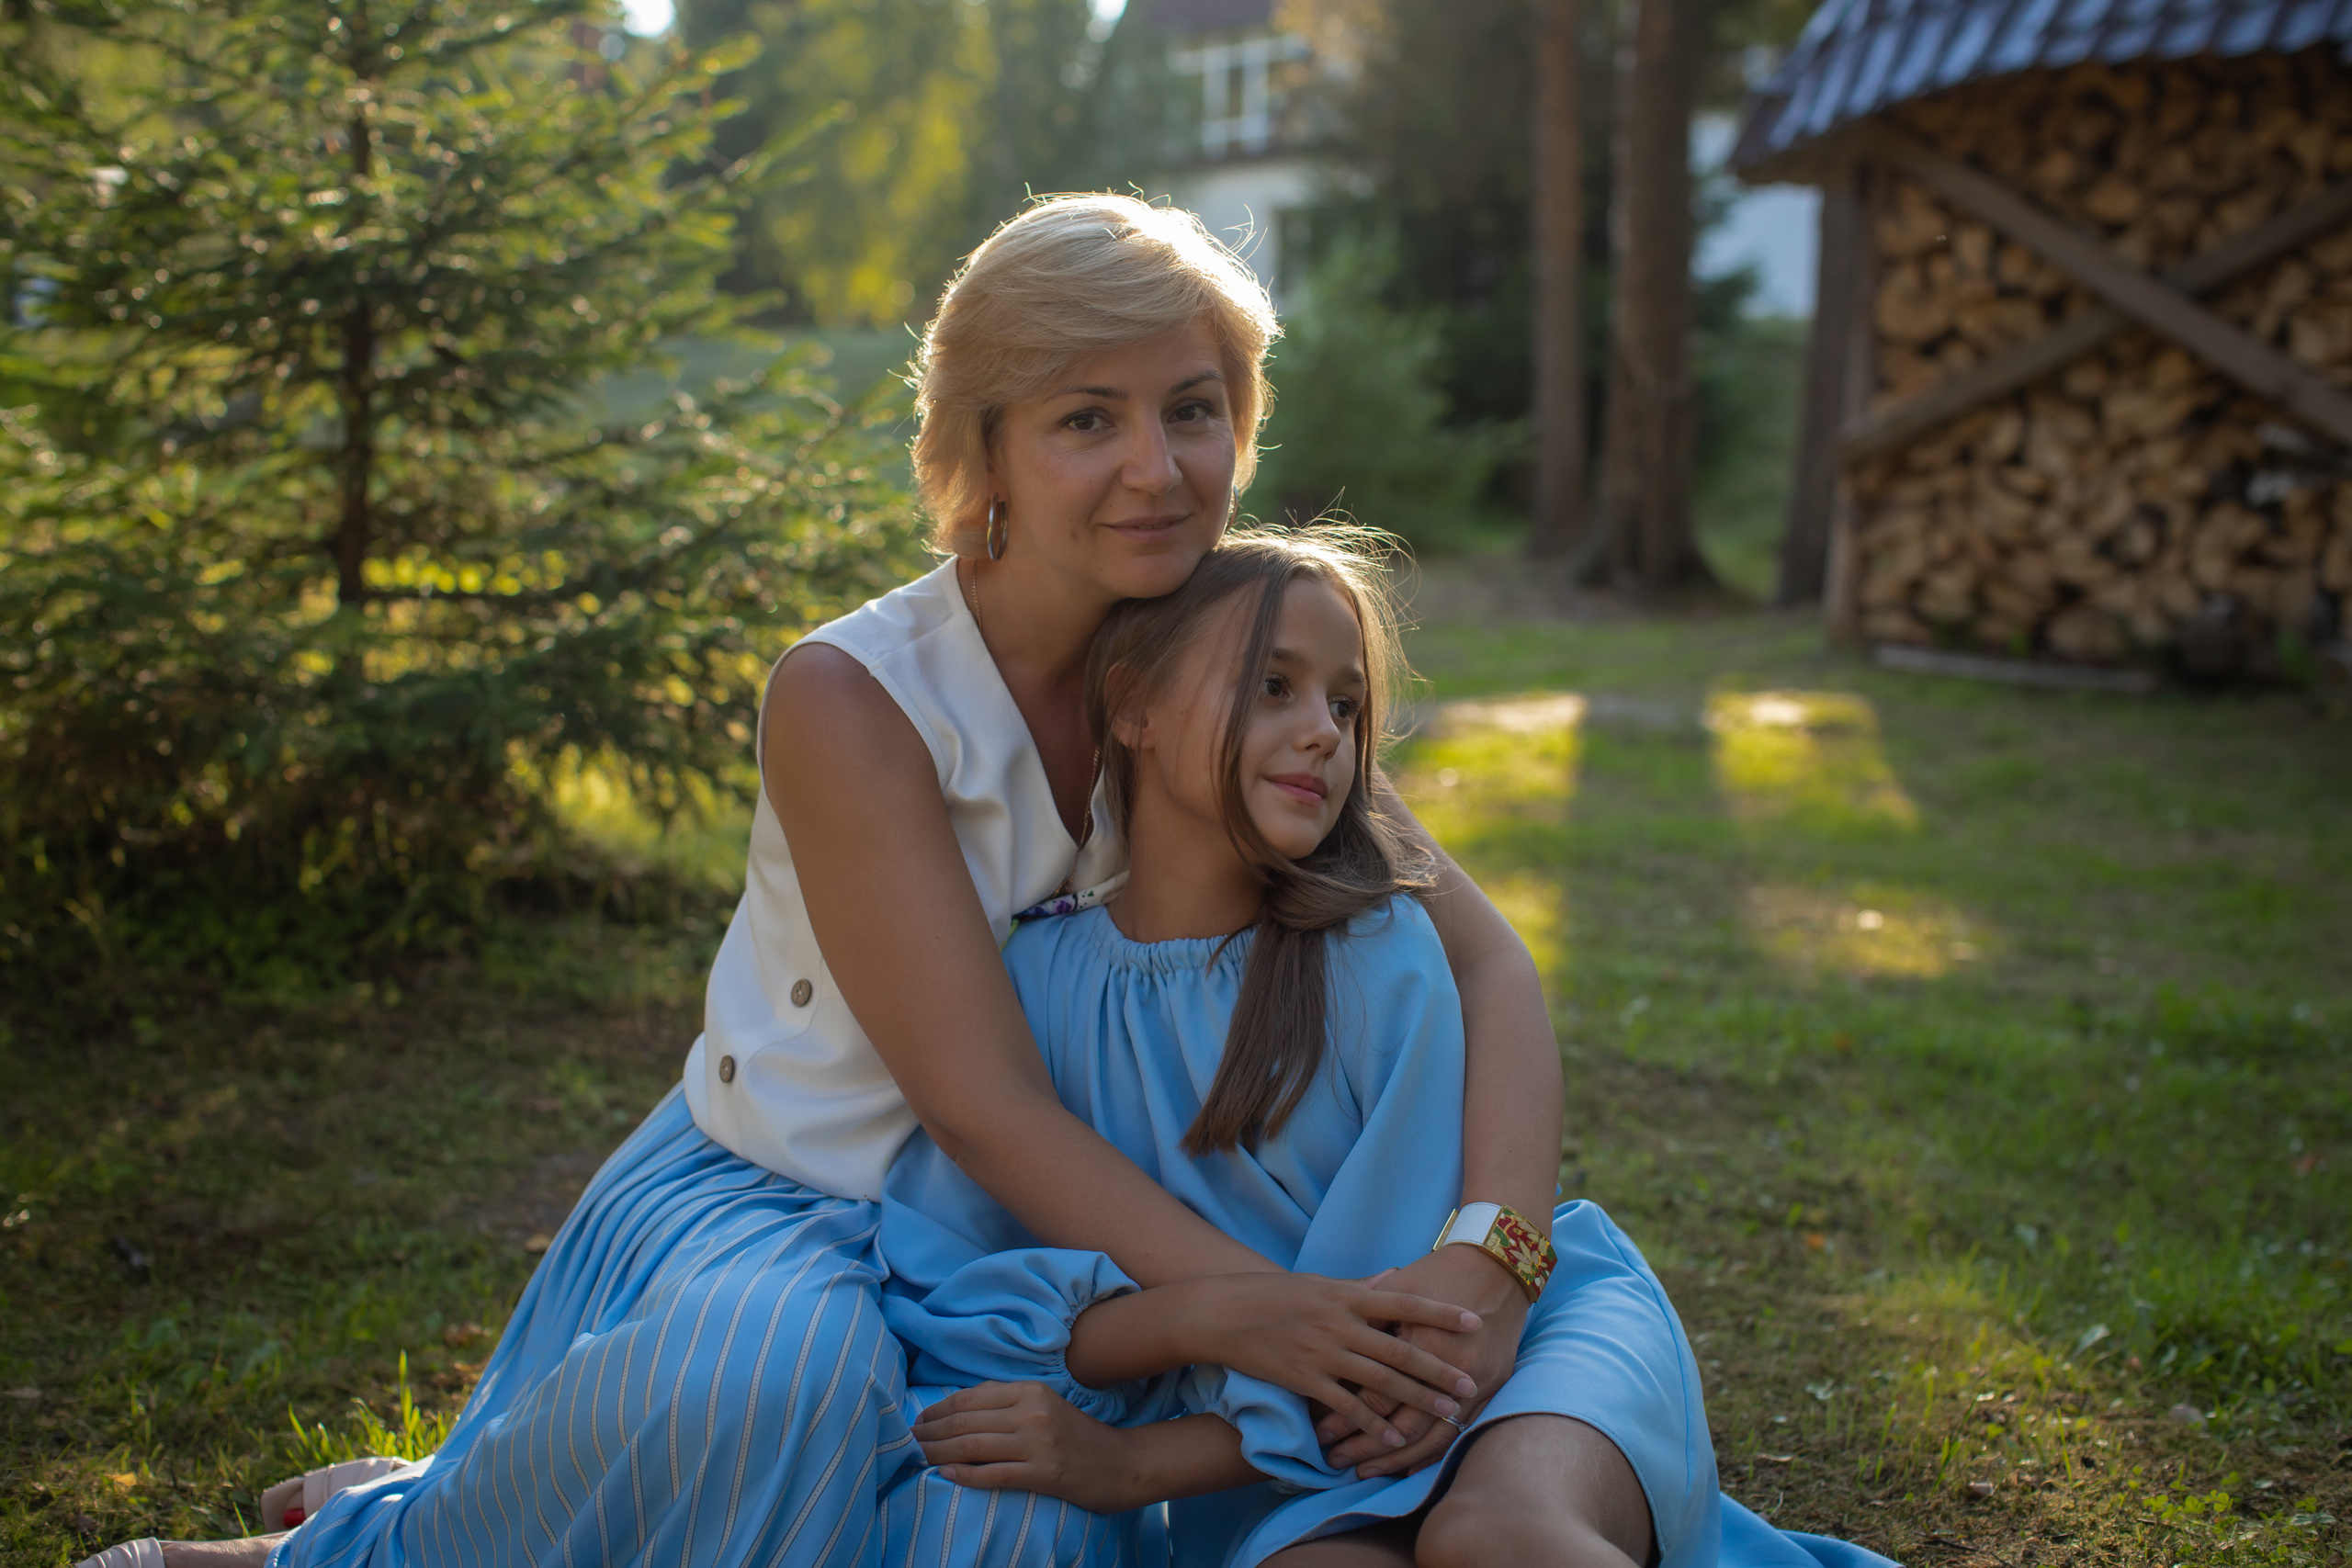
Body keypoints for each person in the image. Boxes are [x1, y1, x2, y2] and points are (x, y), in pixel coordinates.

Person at [81, 194, 1573, 1568]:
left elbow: (1487, 962)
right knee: (785, 1374)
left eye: (1192, 409)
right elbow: (987, 1104)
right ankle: (346, 1550)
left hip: (1053, 1243)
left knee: (1001, 1526)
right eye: (1083, 419)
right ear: (979, 451)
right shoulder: (855, 695)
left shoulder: (1229, 662)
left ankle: (531, 1473)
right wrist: (1269, 1311)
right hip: (800, 1193)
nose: (1154, 466)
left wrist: (1494, 1257)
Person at [873, 530, 1894, 1568]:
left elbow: (1400, 1356)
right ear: (1132, 706)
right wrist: (1181, 1350)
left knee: (1497, 1539)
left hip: (1514, 1367)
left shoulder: (1372, 951)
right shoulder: (1037, 986)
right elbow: (967, 1299)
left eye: (1346, 705)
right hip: (1281, 1475)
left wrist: (1138, 1469)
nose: (1323, 731)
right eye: (1273, 685)